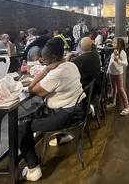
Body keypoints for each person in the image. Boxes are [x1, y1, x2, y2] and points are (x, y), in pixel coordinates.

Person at [19, 38, 85, 181]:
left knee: (23, 125)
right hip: (78, 109)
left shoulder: (56, 73)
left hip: (67, 115)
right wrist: (48, 68)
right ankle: (63, 136)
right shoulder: (70, 65)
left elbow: (32, 90)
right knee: (42, 109)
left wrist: (45, 71)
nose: (44, 61)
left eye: (45, 59)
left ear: (53, 58)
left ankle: (33, 168)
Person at [107, 38, 129, 116]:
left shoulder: (122, 53)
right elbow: (110, 63)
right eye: (112, 42)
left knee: (120, 89)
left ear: (119, 44)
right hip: (112, 73)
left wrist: (118, 61)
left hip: (118, 73)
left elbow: (126, 63)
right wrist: (108, 71)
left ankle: (127, 107)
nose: (112, 43)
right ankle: (113, 102)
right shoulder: (113, 52)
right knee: (113, 88)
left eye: (114, 42)